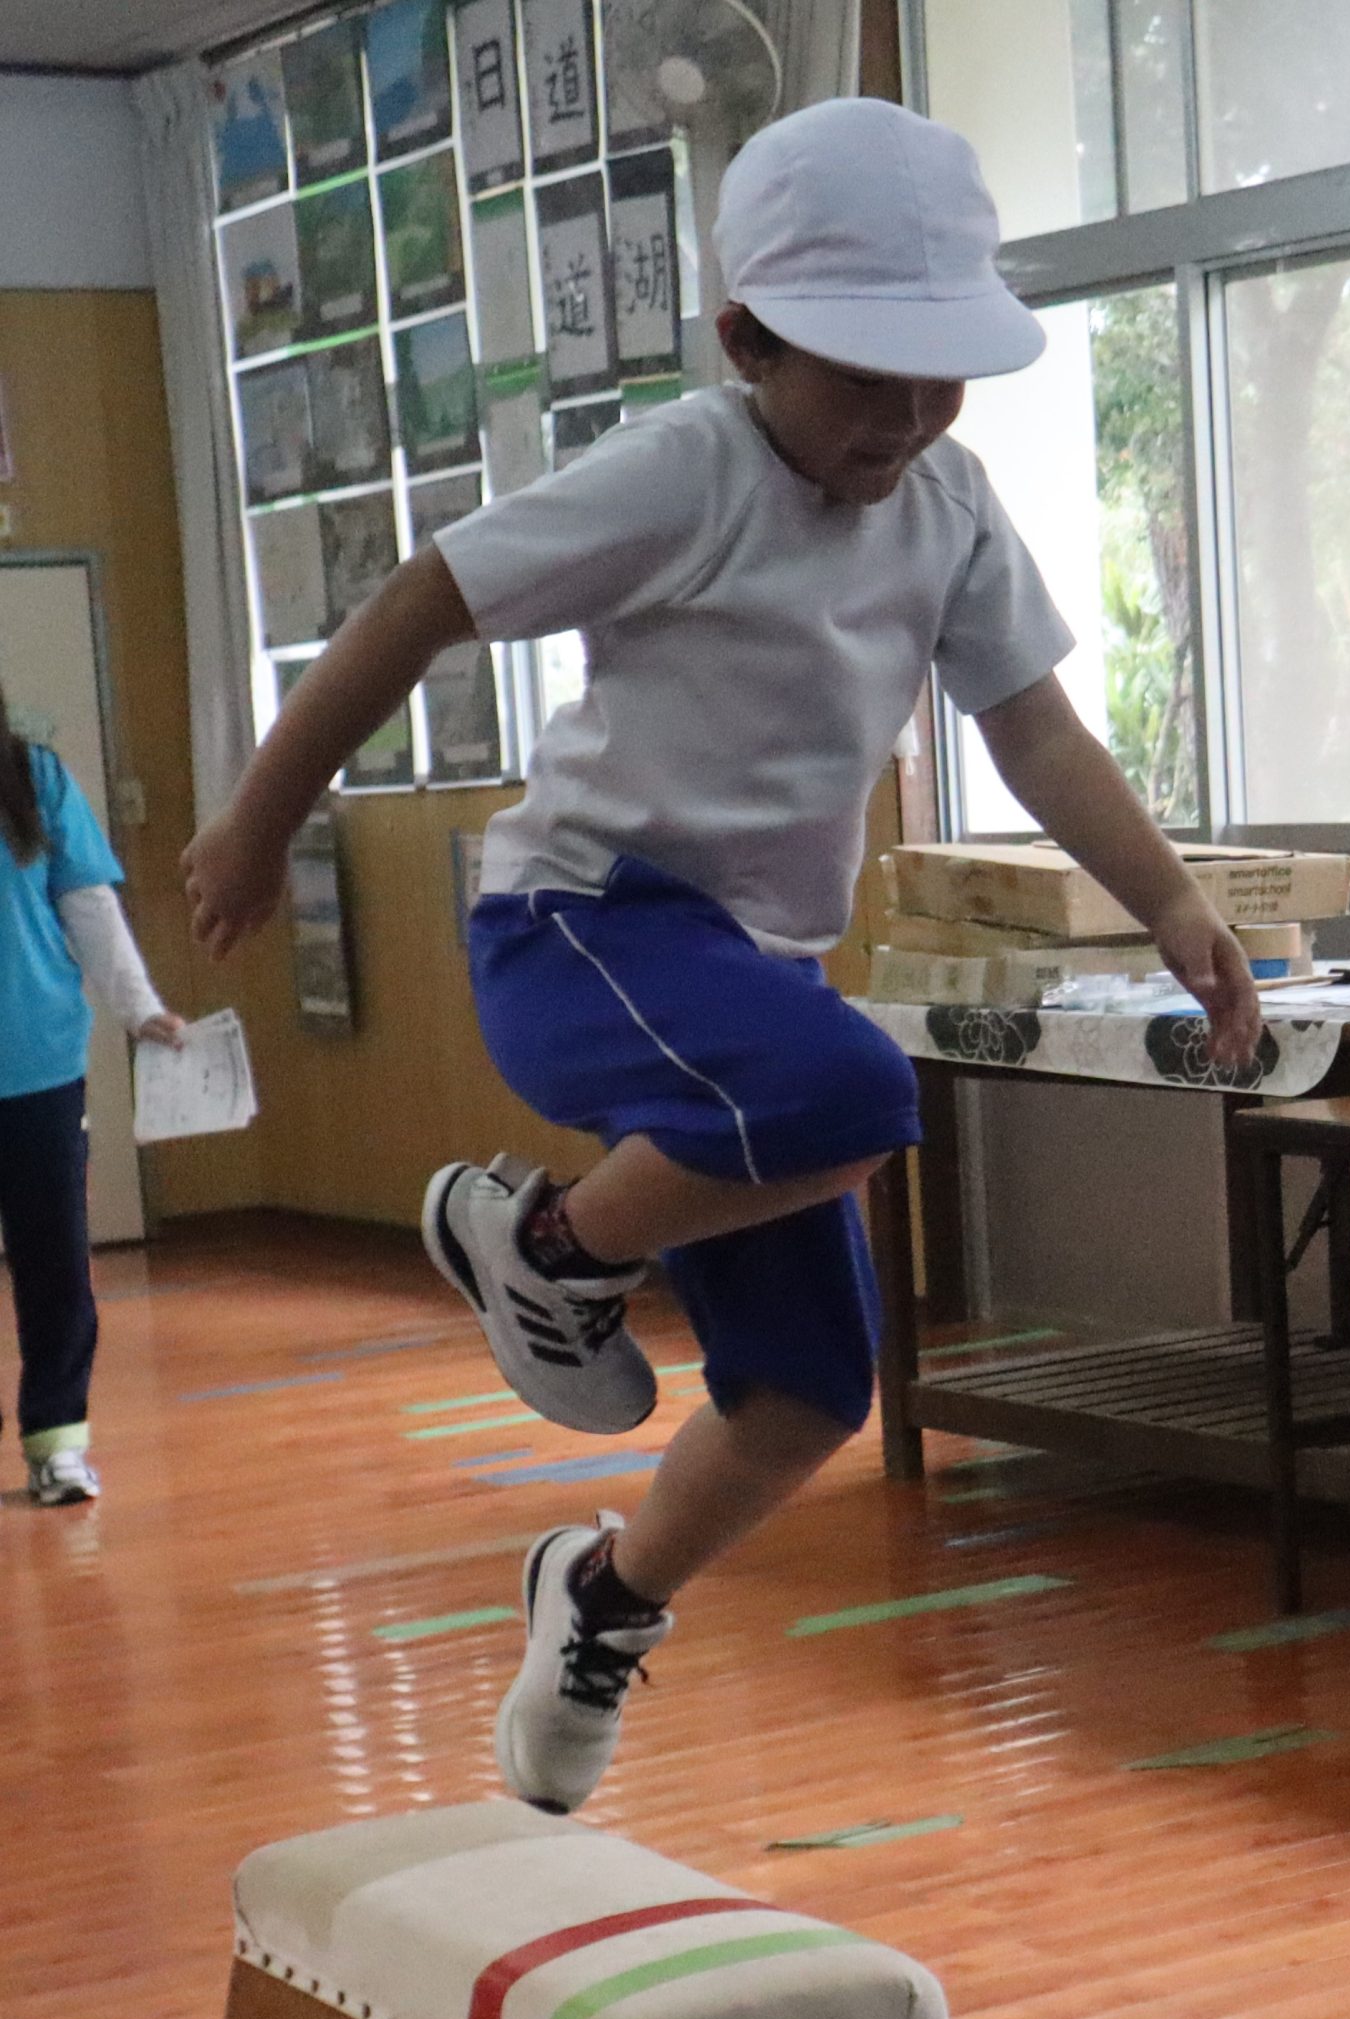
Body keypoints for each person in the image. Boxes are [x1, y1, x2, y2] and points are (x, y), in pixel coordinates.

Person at [182, 98, 1262, 1810]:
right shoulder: (687, 470)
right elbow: (417, 602)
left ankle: (601, 1602)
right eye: (862, 384)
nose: (901, 423)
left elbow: (1035, 729)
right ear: (747, 341)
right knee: (859, 1089)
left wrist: (1174, 900)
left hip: (743, 990)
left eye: (935, 385)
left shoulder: (950, 503)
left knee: (814, 1388)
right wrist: (259, 820)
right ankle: (541, 1244)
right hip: (579, 923)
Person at [0, 686, 183, 1504]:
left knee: (55, 1263)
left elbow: (88, 905)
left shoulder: (32, 778)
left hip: (36, 1061)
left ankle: (57, 1441)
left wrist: (139, 1008)